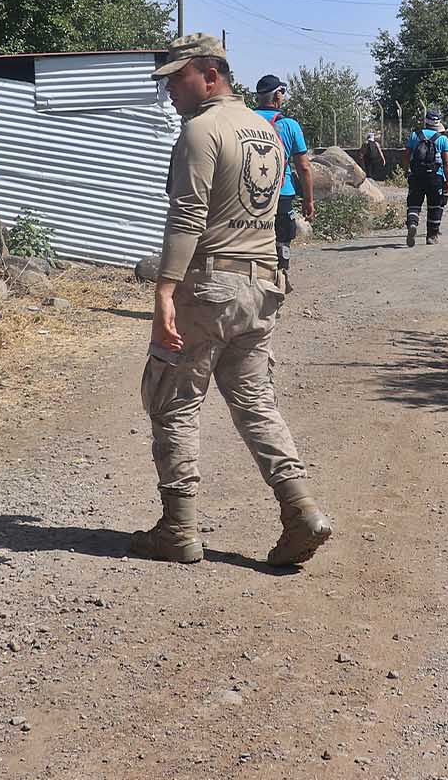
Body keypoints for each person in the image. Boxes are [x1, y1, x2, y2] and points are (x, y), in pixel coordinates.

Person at [130, 33, 333, 567]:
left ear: (210, 75)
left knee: (174, 401)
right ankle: (301, 510)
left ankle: (179, 528)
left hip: (209, 285)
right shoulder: (263, 130)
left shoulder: (201, 131)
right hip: (261, 285)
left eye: (178, 77)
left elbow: (188, 216)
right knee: (256, 404)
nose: (170, 89)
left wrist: (165, 290)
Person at [251, 74, 314, 282]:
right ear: (277, 95)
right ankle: (281, 276)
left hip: (249, 190)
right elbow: (304, 167)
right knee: (282, 238)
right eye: (283, 92)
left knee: (251, 237)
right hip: (282, 191)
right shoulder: (290, 125)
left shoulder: (245, 119)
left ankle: (254, 278)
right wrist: (308, 199)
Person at [404, 108, 448, 246]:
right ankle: (432, 235)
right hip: (435, 177)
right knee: (435, 206)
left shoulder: (414, 135)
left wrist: (407, 171)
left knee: (414, 203)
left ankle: (412, 223)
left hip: (416, 175)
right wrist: (447, 180)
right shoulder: (442, 139)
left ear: (426, 121)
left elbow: (406, 156)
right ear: (438, 124)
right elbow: (447, 162)